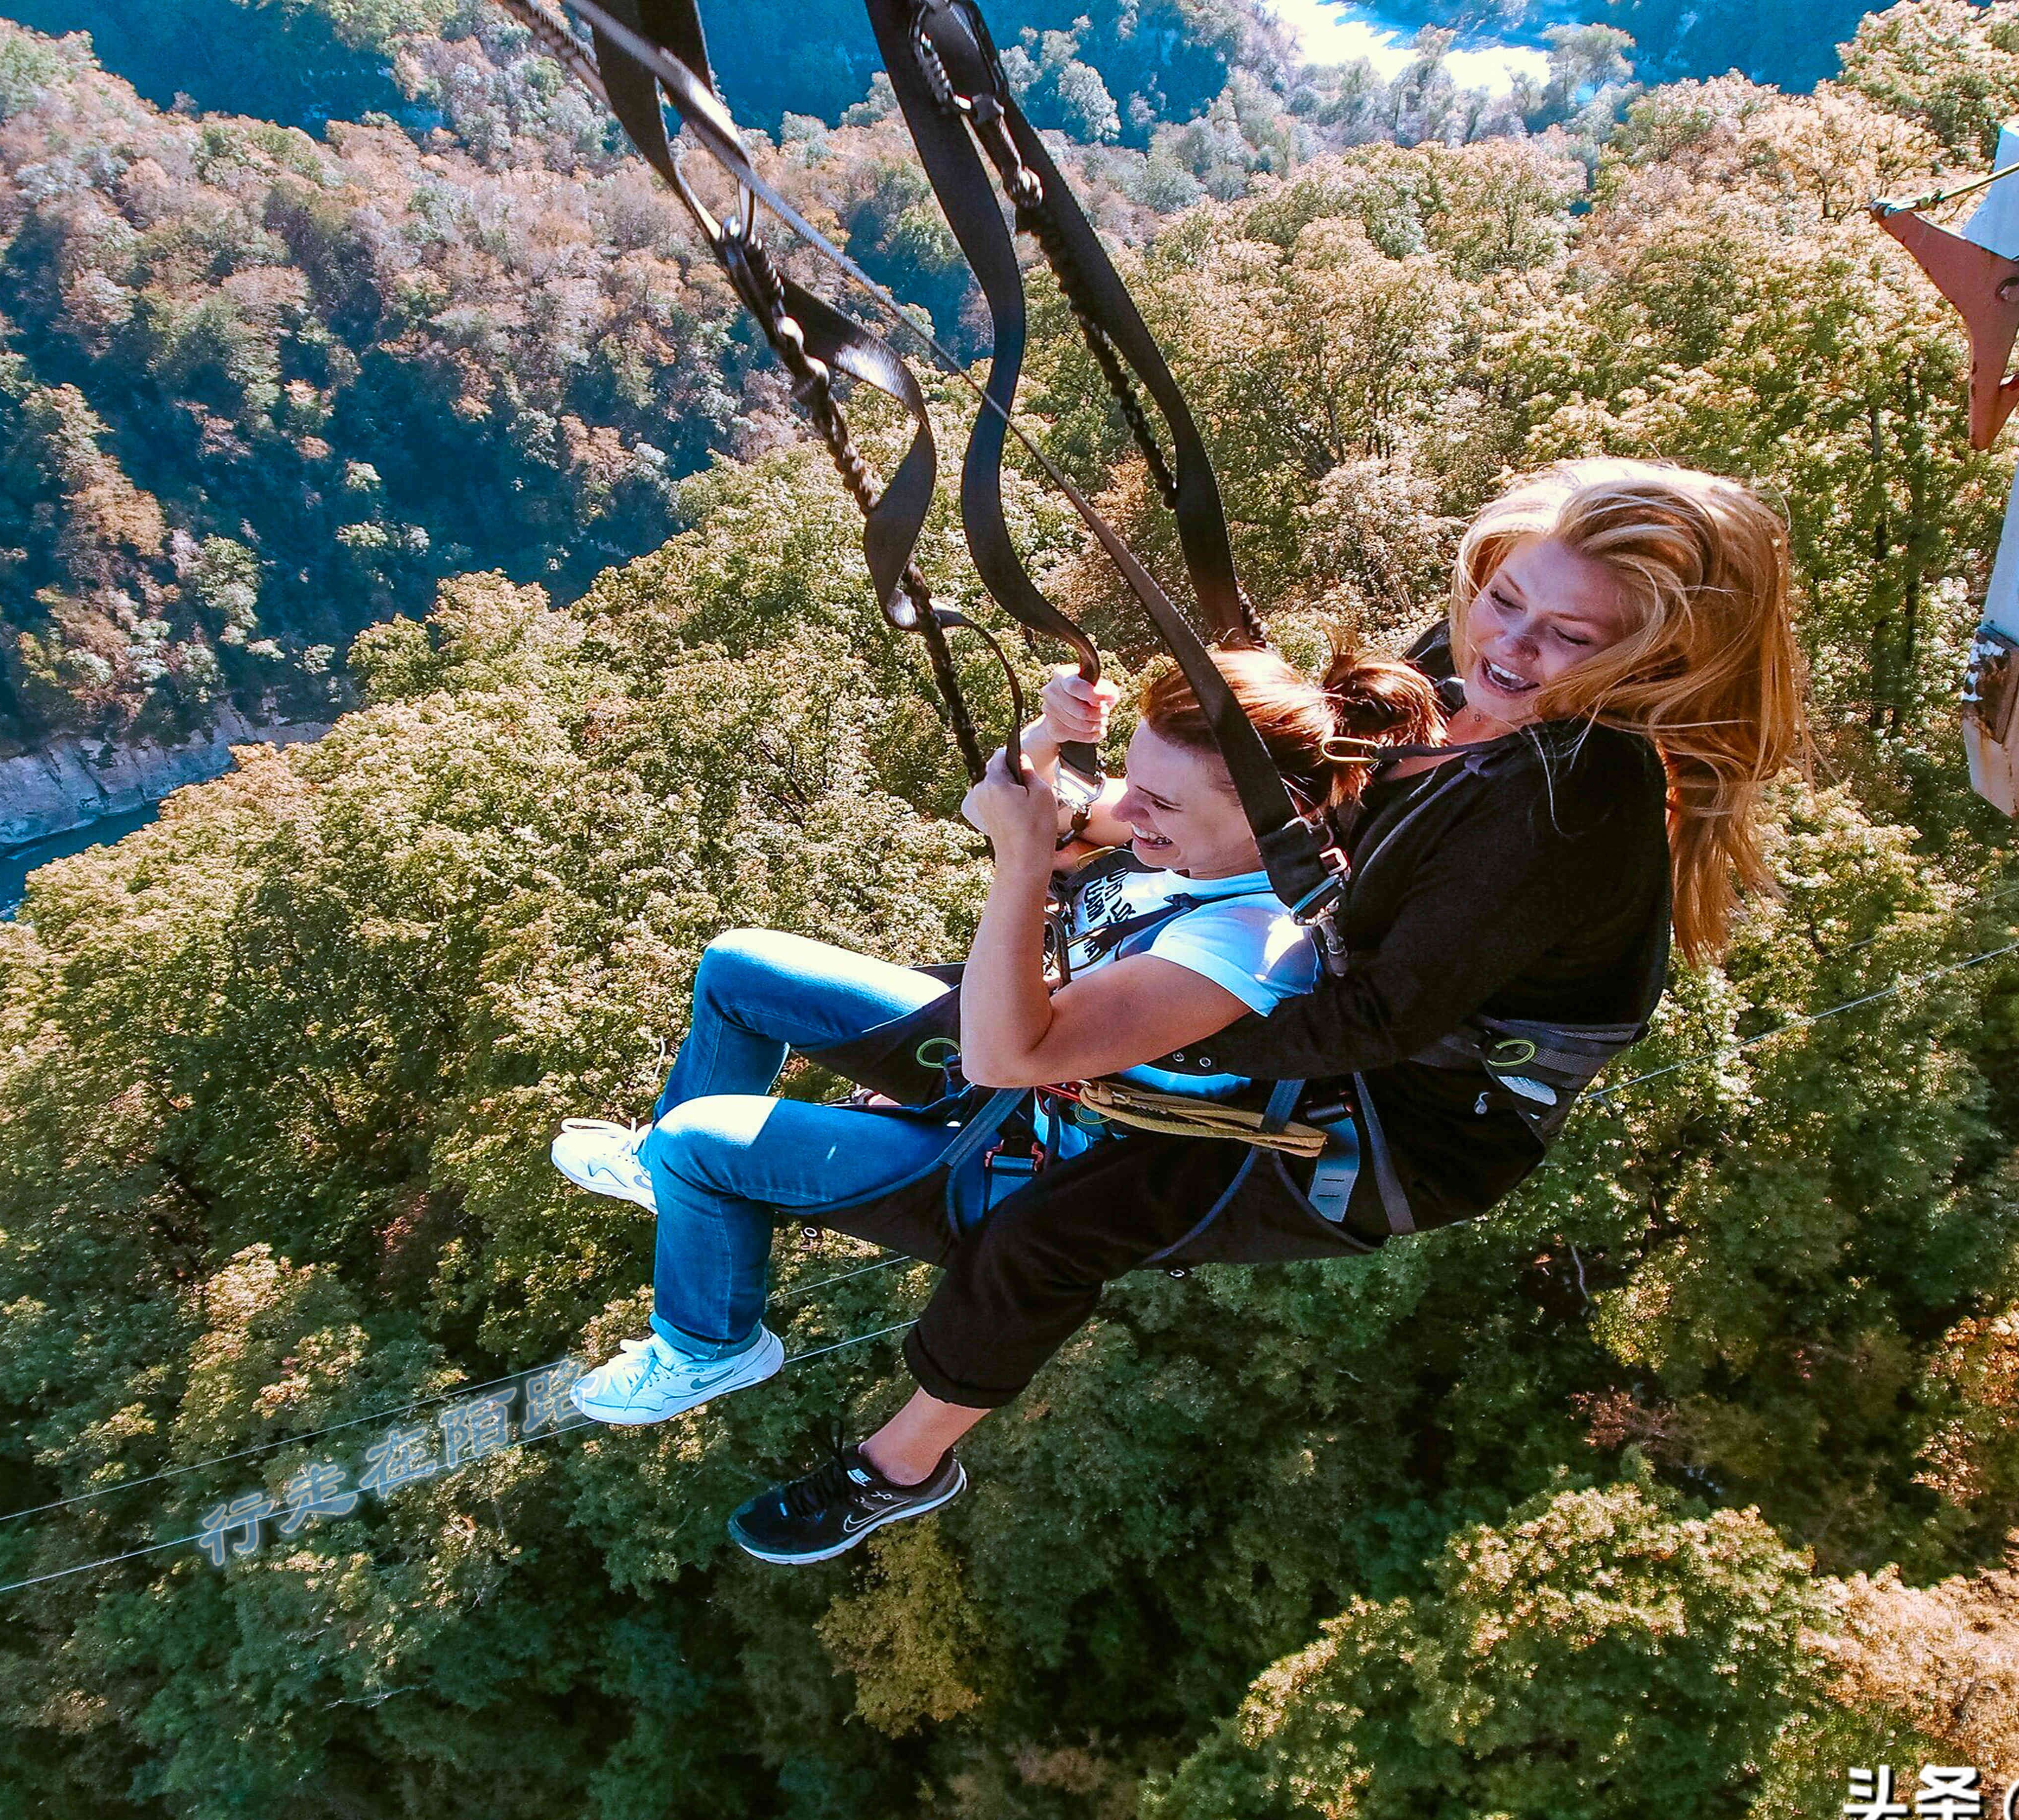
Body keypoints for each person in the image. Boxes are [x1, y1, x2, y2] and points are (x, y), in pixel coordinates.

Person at [719, 456, 1807, 1562]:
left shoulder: (1567, 804)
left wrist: (1125, 1038)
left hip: (1408, 1118)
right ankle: (858, 1132)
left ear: (1648, 655)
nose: (1512, 648)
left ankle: (895, 1468)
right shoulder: (1469, 674)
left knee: (1050, 1231)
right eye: (1505, 598)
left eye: (1573, 637)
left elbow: (1375, 1020)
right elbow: (1302, 768)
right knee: (1061, 975)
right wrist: (1113, 817)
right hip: (1324, 971)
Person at [546, 641, 1441, 1544]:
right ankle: (676, 1187)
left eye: (1159, 802)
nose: (1128, 812)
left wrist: (1022, 862)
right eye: (1132, 778)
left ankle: (708, 1346)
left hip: (1021, 1159)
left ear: (1273, 813)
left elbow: (1007, 1055)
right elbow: (1019, 792)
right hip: (1007, 1086)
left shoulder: (1247, 944)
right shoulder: (1193, 842)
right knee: (740, 967)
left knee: (698, 1144)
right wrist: (1047, 736)